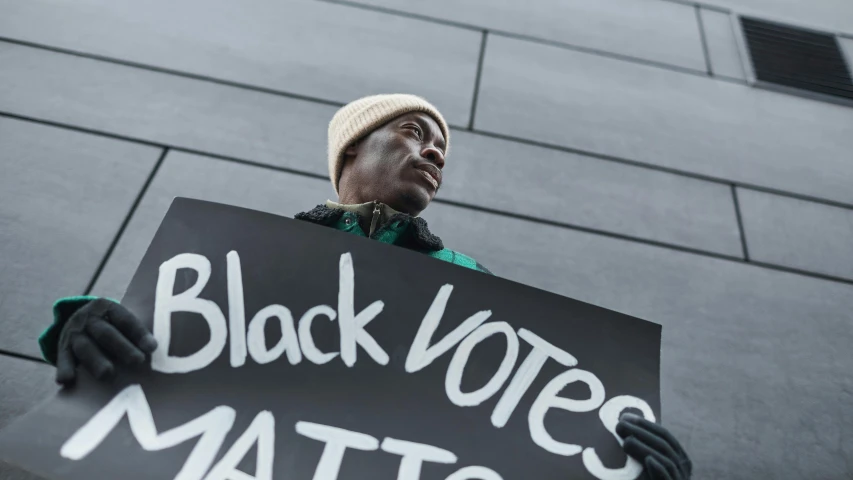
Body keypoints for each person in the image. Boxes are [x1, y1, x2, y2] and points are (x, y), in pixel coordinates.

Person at [37, 94, 692, 480]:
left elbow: (506, 441)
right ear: (351, 150)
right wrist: (83, 323)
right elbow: (165, 362)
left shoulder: (474, 292)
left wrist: (614, 465)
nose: (434, 152)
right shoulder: (232, 261)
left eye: (441, 148)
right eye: (413, 133)